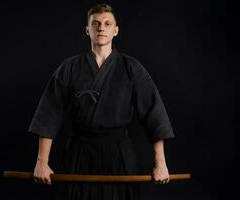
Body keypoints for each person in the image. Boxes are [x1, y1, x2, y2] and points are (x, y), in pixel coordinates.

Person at [28, 3, 175, 200]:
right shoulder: (69, 68)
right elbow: (49, 114)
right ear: (87, 29)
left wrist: (161, 163)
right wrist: (41, 161)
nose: (101, 28)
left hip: (119, 155)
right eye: (95, 23)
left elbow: (154, 114)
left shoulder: (131, 68)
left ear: (115, 30)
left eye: (107, 23)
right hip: (79, 154)